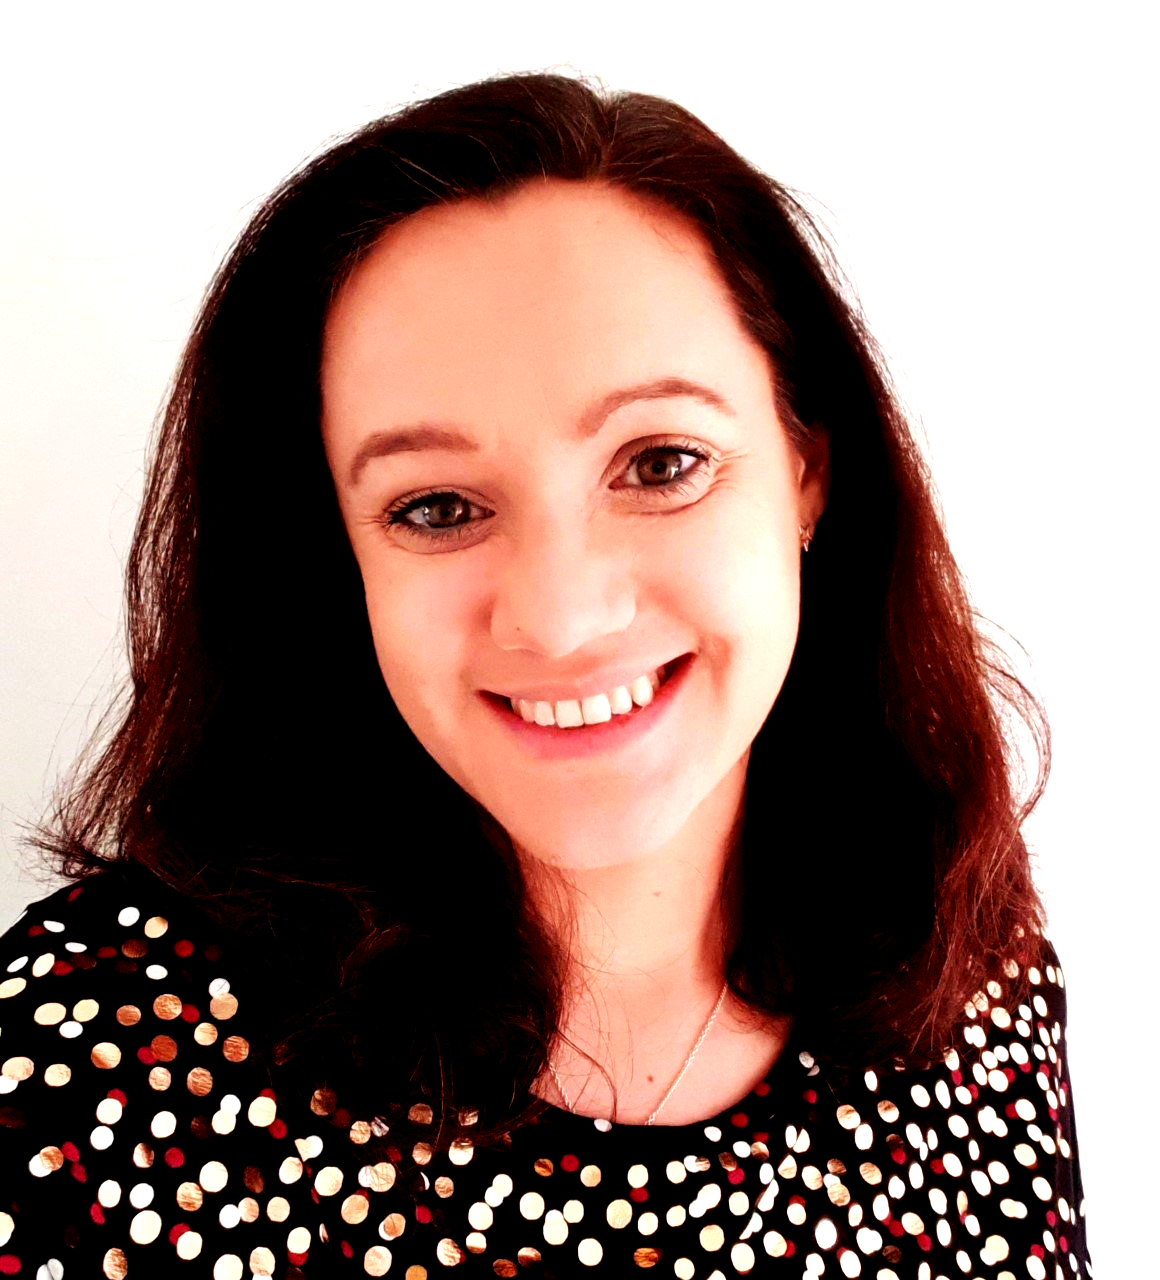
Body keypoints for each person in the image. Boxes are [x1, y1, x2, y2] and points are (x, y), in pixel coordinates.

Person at [0, 70, 1088, 1279]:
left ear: (807, 470)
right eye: (435, 505)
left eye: (661, 462)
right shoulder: (90, 1065)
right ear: (331, 555)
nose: (561, 618)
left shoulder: (968, 975)